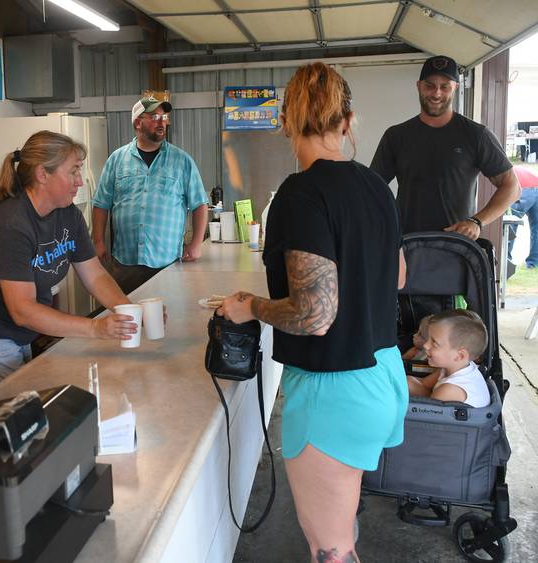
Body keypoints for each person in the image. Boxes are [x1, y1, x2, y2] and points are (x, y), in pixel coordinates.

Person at [220, 62, 408, 562]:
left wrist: (249, 307)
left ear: (285, 120)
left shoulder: (298, 195)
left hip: (335, 388)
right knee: (340, 525)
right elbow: (400, 277)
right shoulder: (373, 187)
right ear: (348, 122)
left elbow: (313, 315)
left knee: (331, 551)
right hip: (383, 373)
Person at [0, 130, 137, 393]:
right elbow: (22, 310)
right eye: (73, 171)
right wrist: (95, 328)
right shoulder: (10, 222)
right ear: (42, 174)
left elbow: (95, 274)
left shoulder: (68, 214)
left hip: (17, 333)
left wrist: (130, 313)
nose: (80, 181)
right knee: (5, 422)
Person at [371, 55, 520, 238]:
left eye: (445, 86)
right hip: (407, 246)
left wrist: (477, 221)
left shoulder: (476, 135)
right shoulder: (396, 136)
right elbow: (371, 188)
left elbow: (512, 186)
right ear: (418, 86)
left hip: (456, 248)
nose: (436, 93)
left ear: (455, 88)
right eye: (430, 85)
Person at [91, 95, 210, 294]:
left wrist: (196, 244)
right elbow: (101, 203)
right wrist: (98, 241)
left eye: (164, 118)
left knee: (169, 318)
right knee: (128, 319)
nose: (161, 122)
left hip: (167, 262)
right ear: (138, 123)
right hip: (125, 263)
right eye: (154, 117)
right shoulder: (117, 160)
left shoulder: (181, 161)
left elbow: (200, 203)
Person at [407, 309, 489, 408]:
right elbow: (424, 384)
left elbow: (427, 414)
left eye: (434, 343)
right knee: (408, 382)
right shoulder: (457, 367)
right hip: (439, 409)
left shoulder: (450, 390)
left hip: (442, 418)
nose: (425, 345)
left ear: (460, 356)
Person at [508, 165, 538, 268]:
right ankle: (533, 263)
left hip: (523, 189)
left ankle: (507, 261)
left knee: (510, 225)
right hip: (537, 187)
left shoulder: (502, 169)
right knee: (536, 228)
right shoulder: (515, 168)